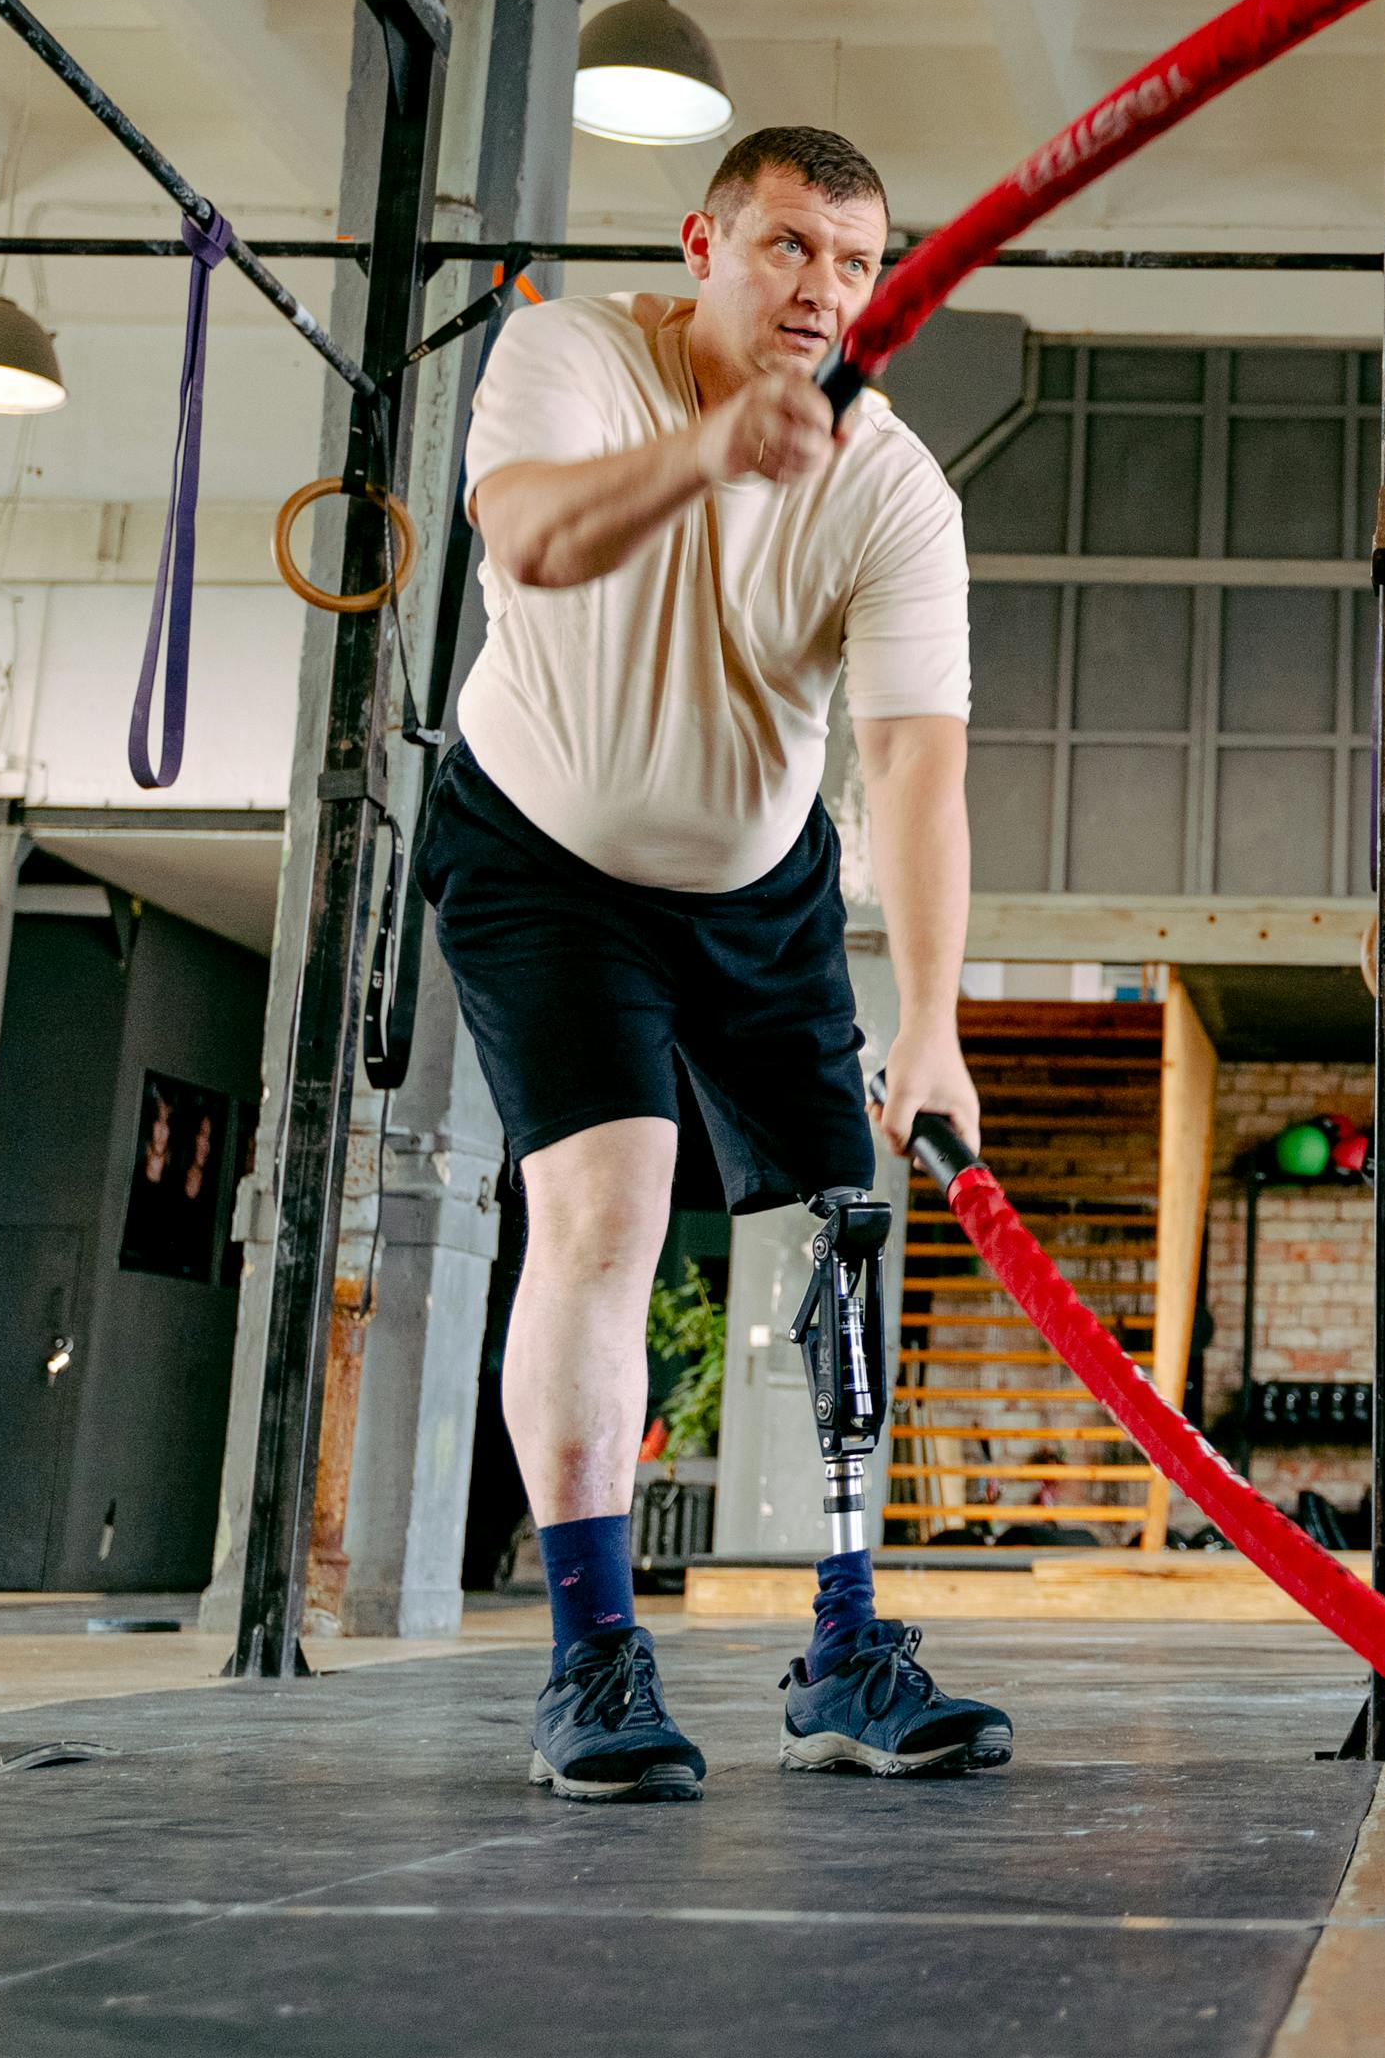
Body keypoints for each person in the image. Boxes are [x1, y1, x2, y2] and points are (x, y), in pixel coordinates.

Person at [427, 123, 1004, 1802]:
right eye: (784, 247)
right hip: (545, 855)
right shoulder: (568, 356)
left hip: (758, 884)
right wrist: (712, 455)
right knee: (605, 1210)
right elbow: (530, 538)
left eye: (852, 261)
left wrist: (936, 1021)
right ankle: (593, 1659)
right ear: (703, 245)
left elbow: (911, 762)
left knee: (838, 1240)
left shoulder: (893, 486)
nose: (819, 287)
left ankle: (844, 1652)